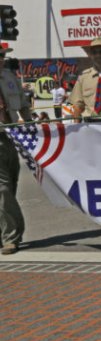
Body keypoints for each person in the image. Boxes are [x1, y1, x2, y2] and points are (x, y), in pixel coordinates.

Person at [0, 45, 32, 254]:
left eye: (2, 55)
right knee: (2, 189)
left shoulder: (9, 77)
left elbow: (22, 104)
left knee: (11, 186)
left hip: (11, 137)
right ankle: (10, 236)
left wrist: (31, 126)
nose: (1, 59)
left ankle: (13, 231)